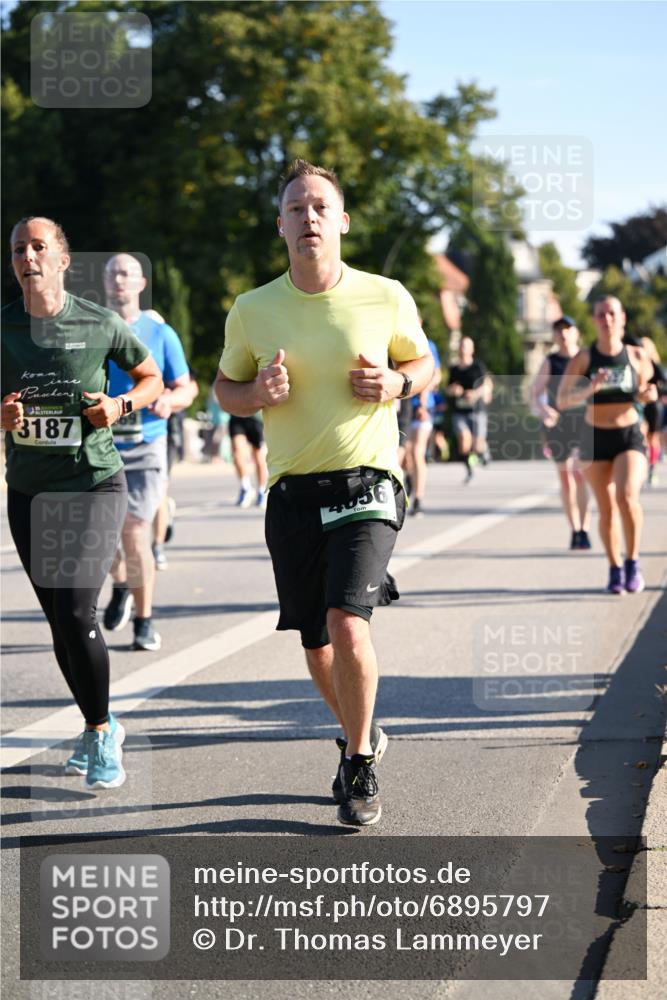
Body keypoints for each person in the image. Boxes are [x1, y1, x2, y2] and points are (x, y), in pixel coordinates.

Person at [215, 159, 434, 826]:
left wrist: (397, 385)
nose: (307, 217)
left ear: (340, 221)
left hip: (367, 482)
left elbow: (423, 362)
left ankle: (359, 760)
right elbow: (223, 389)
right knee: (315, 645)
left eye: (319, 207)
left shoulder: (385, 294)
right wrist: (255, 395)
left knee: (347, 620)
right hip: (291, 492)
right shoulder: (251, 309)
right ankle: (357, 731)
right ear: (279, 225)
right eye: (294, 208)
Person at [1, 217, 162, 788]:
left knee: (76, 611)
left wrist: (119, 408)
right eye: (19, 248)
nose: (28, 256)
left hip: (94, 482)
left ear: (63, 260)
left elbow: (152, 379)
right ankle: (102, 724)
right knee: (59, 623)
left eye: (39, 247)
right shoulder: (4, 328)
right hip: (29, 493)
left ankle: (99, 732)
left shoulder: (98, 322)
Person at [102, 255, 191, 649]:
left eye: (126, 274)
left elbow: (187, 387)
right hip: (101, 445)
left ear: (140, 284)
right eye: (112, 274)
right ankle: (120, 585)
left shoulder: (160, 332)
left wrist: (170, 401)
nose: (119, 280)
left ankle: (144, 620)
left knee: (134, 529)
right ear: (105, 283)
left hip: (147, 443)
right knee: (101, 539)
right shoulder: (93, 329)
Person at [557, 295, 657, 594]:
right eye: (601, 314)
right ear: (594, 320)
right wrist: (590, 388)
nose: (607, 319)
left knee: (627, 497)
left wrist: (648, 395)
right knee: (607, 508)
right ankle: (615, 569)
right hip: (594, 436)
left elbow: (646, 392)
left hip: (628, 435)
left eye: (612, 313)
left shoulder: (638, 357)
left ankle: (633, 563)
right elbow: (562, 400)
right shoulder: (584, 359)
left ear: (622, 318)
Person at [530, 316, 592, 549]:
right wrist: (545, 409)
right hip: (558, 426)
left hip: (582, 424)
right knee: (566, 479)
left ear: (576, 332)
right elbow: (535, 392)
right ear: (555, 336)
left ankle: (585, 528)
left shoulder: (585, 358)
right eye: (558, 330)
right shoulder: (551, 361)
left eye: (567, 329)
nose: (563, 334)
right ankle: (574, 529)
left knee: (580, 474)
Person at [404, 337, 441, 516]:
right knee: (406, 455)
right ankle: (410, 482)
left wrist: (423, 403)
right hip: (404, 406)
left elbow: (435, 374)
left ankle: (418, 498)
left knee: (418, 452)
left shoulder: (427, 344)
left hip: (423, 407)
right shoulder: (398, 339)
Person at [446, 337, 490, 482]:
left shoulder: (478, 366)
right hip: (460, 411)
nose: (463, 349)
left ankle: (483, 451)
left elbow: (487, 385)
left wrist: (475, 394)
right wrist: (454, 390)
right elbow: (448, 388)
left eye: (466, 346)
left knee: (477, 446)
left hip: (477, 410)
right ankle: (470, 470)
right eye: (462, 346)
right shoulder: (454, 369)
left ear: (472, 349)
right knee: (464, 442)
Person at [228, 411, 269, 508]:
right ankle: (245, 487)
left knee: (259, 456)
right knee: (237, 452)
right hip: (237, 415)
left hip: (255, 417)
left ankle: (261, 490)